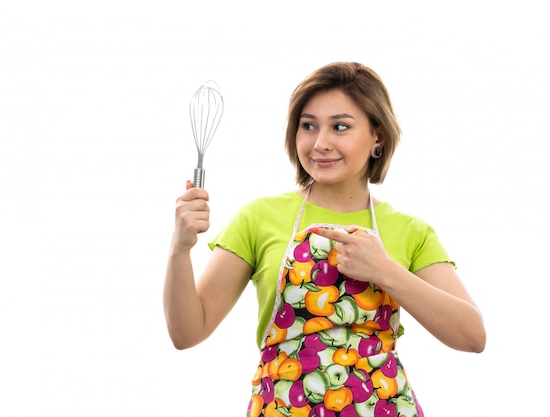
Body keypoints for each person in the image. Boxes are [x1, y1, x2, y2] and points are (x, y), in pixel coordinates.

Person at [163, 61, 486, 417]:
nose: (320, 143)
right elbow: (187, 333)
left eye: (340, 127)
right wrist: (180, 249)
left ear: (377, 136)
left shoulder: (410, 231)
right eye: (309, 126)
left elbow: (472, 336)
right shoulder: (258, 217)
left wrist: (384, 271)